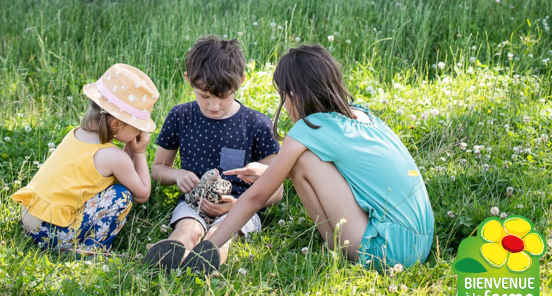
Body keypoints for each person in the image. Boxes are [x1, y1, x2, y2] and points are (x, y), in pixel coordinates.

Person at [183, 45, 435, 272]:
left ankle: (338, 250)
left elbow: (256, 197)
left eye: (282, 96)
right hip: (419, 242)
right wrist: (272, 173)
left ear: (294, 95)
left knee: (300, 161)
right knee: (297, 162)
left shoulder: (309, 128)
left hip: (386, 253)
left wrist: (209, 245)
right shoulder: (361, 115)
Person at [144, 36, 283, 271]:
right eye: (204, 96)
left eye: (223, 96)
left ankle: (205, 262)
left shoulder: (256, 124)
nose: (214, 105)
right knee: (187, 229)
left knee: (221, 236)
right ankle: (171, 252)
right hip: (194, 202)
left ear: (240, 82)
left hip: (241, 207)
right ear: (189, 81)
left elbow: (276, 188)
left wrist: (238, 205)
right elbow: (158, 170)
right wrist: (178, 175)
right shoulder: (181, 116)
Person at [11, 64, 158, 254]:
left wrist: (129, 143)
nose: (140, 131)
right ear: (116, 124)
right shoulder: (114, 156)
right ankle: (92, 251)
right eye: (137, 126)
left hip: (29, 221)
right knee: (122, 195)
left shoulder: (75, 135)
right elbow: (142, 193)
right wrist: (139, 152)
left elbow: (122, 171)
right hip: (52, 234)